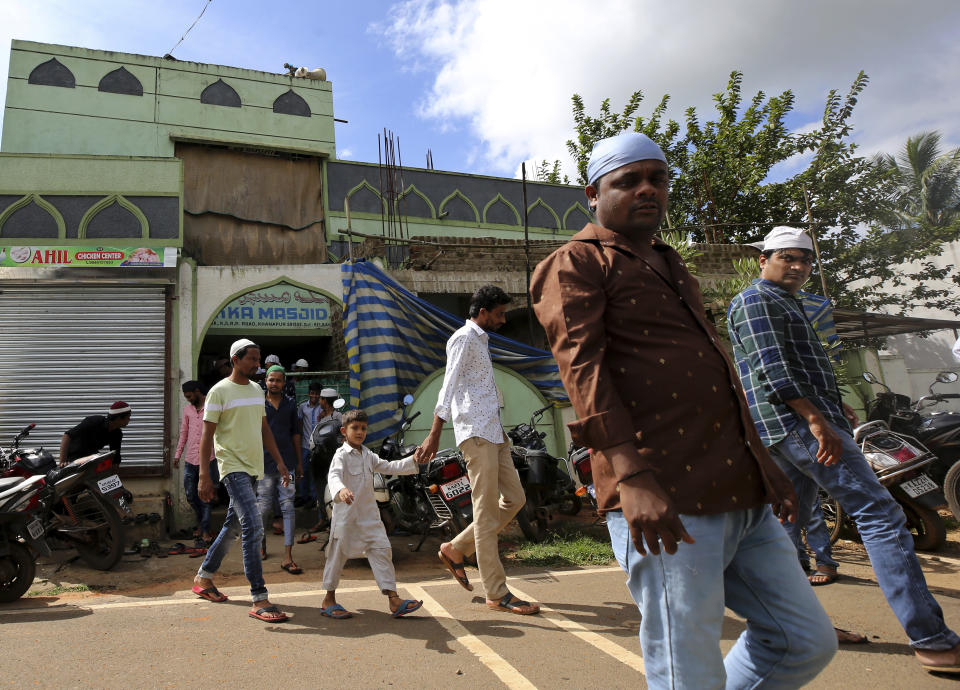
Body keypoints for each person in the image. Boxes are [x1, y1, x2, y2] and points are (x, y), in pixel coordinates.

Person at [530, 132, 835, 688]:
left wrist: (765, 464)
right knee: (686, 666)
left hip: (741, 487)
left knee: (804, 640)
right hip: (664, 494)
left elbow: (720, 373)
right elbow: (584, 373)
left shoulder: (672, 264)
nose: (648, 189)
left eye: (659, 178)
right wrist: (633, 478)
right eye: (629, 180)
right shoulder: (576, 262)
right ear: (592, 195)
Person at [728, 225, 960, 674]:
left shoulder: (786, 302)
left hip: (792, 426)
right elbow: (772, 367)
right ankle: (932, 639)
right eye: (787, 257)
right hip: (797, 425)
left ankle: (800, 628)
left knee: (786, 527)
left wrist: (836, 410)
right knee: (881, 515)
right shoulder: (757, 300)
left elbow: (799, 367)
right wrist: (816, 419)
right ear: (763, 260)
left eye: (805, 260)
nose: (797, 266)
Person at [415, 285, 539, 616]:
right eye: (498, 314)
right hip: (475, 434)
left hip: (493, 433)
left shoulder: (481, 340)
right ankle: (497, 593)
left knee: (515, 499)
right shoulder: (463, 338)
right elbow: (449, 384)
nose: (502, 320)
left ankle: (455, 549)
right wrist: (434, 432)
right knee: (484, 513)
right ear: (482, 311)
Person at [191, 338, 291, 623]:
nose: (257, 364)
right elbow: (207, 436)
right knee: (254, 526)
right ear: (236, 359)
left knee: (234, 526)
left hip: (253, 468)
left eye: (258, 359)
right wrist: (203, 475)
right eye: (252, 359)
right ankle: (259, 597)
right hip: (231, 466)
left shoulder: (257, 390)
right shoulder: (219, 392)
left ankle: (204, 577)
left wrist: (281, 462)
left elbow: (264, 430)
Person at [320, 408, 425, 619]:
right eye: (355, 428)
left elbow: (388, 466)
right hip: (347, 518)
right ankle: (328, 600)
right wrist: (341, 490)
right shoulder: (341, 455)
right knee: (337, 557)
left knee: (382, 551)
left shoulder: (368, 454)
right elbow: (333, 476)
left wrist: (414, 461)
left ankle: (394, 600)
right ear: (344, 430)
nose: (360, 432)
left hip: (369, 517)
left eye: (363, 428)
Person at [257, 365, 303, 574]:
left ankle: (288, 556)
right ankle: (261, 545)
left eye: (278, 380)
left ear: (284, 383)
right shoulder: (257, 404)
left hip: (288, 464)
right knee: (264, 508)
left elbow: (296, 434)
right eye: (270, 380)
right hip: (264, 464)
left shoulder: (291, 405)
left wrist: (299, 462)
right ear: (265, 381)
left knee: (288, 508)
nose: (274, 383)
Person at [173, 381, 219, 543]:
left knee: (206, 497)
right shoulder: (188, 410)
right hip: (190, 460)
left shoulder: (212, 405)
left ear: (197, 391)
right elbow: (184, 433)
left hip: (209, 459)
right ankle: (202, 524)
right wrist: (177, 455)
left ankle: (205, 531)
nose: (188, 399)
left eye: (189, 396)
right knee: (191, 495)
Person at [308, 387, 343, 532]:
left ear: (325, 401)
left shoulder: (339, 417)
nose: (319, 401)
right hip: (319, 458)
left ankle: (334, 521)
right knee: (320, 489)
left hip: (333, 458)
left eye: (321, 399)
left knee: (334, 489)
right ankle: (323, 519)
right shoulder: (321, 415)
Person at [59, 401, 131, 467]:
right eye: (128, 417)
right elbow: (67, 436)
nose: (129, 420)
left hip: (90, 458)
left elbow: (115, 456)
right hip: (73, 457)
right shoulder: (94, 422)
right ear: (118, 418)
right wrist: (62, 462)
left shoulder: (117, 434)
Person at [296, 382, 323, 508]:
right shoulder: (302, 407)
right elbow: (300, 426)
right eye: (312, 393)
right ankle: (302, 496)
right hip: (304, 445)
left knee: (314, 473)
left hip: (318, 446)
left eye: (317, 394)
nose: (315, 396)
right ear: (309, 393)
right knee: (302, 471)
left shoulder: (323, 408)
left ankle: (314, 497)